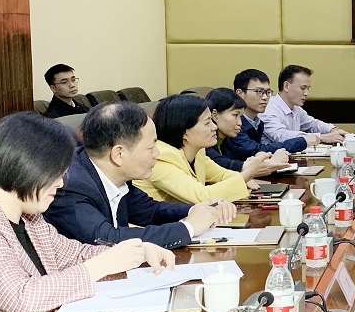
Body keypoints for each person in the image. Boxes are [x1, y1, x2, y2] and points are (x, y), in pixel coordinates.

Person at [0, 113, 175, 312]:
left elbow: (75, 254)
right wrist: (101, 265)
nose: (61, 184)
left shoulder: (30, 218)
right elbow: (22, 297)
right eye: (57, 173)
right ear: (29, 165)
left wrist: (137, 251)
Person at [44, 101, 238, 248]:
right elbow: (107, 239)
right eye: (151, 147)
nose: (157, 153)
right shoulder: (69, 185)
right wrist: (189, 227)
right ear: (119, 154)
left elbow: (151, 211)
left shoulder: (112, 173)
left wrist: (198, 210)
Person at [134, 95, 260, 204]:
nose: (214, 127)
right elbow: (202, 196)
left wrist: (244, 178)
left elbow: (221, 175)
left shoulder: (198, 151)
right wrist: (250, 172)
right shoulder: (160, 158)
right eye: (207, 123)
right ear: (185, 132)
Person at [223, 69, 312, 162]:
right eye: (259, 91)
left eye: (268, 92)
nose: (265, 97)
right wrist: (302, 141)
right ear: (240, 93)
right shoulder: (234, 123)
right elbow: (256, 149)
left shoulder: (258, 123)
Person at [204, 88, 291, 174]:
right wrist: (270, 163)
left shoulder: (227, 140)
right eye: (235, 115)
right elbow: (222, 165)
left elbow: (245, 153)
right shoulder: (204, 143)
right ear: (215, 115)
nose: (240, 123)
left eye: (240, 117)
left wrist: (260, 155)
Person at [260, 65, 347, 146]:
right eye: (303, 88)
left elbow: (313, 124)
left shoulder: (296, 108)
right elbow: (281, 136)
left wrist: (332, 129)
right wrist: (320, 137)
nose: (306, 93)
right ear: (286, 86)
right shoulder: (268, 108)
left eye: (308, 88)